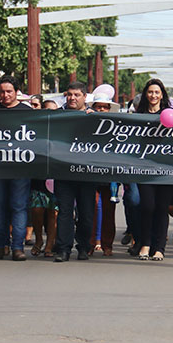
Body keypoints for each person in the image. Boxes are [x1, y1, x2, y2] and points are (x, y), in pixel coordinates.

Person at [0, 76, 32, 261]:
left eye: (9, 91)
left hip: (20, 168)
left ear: (16, 92)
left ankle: (17, 247)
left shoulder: (28, 112)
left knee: (19, 207)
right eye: (2, 91)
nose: (5, 95)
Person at [53, 81, 97, 262]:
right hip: (63, 171)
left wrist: (96, 120)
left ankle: (84, 247)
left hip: (87, 172)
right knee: (65, 212)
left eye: (76, 95)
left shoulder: (93, 117)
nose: (72, 98)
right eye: (69, 94)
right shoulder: (57, 116)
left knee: (86, 213)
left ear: (85, 97)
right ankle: (63, 249)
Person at [134, 79, 173, 261]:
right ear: (146, 94)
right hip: (144, 169)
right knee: (147, 206)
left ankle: (159, 247)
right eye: (150, 92)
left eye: (157, 92)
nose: (153, 95)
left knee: (161, 208)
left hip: (166, 169)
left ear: (162, 95)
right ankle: (145, 243)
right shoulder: (137, 115)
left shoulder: (172, 114)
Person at [90, 93, 116, 256]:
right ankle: (90, 244)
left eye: (104, 106)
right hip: (90, 172)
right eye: (98, 106)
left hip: (110, 174)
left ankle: (107, 245)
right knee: (91, 209)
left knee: (108, 210)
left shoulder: (116, 126)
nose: (101, 109)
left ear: (109, 109)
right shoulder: (88, 122)